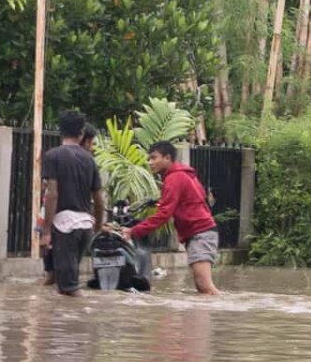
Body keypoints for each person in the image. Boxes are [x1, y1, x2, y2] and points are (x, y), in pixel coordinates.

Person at [123, 141, 222, 295]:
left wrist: (133, 231)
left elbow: (163, 215)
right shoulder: (184, 174)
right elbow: (192, 199)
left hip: (200, 234)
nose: (150, 162)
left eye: (154, 158)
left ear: (167, 158)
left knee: (205, 287)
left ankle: (222, 316)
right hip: (201, 233)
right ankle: (203, 318)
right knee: (202, 288)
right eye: (149, 159)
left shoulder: (174, 178)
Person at [41, 110, 105, 296]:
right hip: (84, 227)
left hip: (64, 228)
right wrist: (98, 228)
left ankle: (86, 321)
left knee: (69, 288)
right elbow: (99, 201)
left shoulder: (53, 156)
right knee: (66, 282)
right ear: (82, 133)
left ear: (61, 131)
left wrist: (46, 231)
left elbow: (52, 194)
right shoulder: (89, 159)